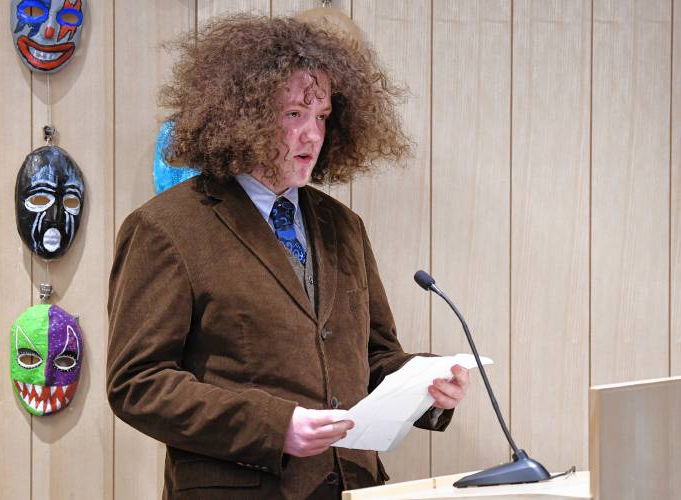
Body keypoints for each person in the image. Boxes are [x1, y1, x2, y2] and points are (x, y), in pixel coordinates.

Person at [106, 14, 470, 500]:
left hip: (355, 487)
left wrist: (427, 387)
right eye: (295, 113)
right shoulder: (166, 227)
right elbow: (137, 383)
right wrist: (276, 427)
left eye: (322, 116)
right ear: (245, 114)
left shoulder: (344, 226)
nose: (313, 135)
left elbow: (373, 358)